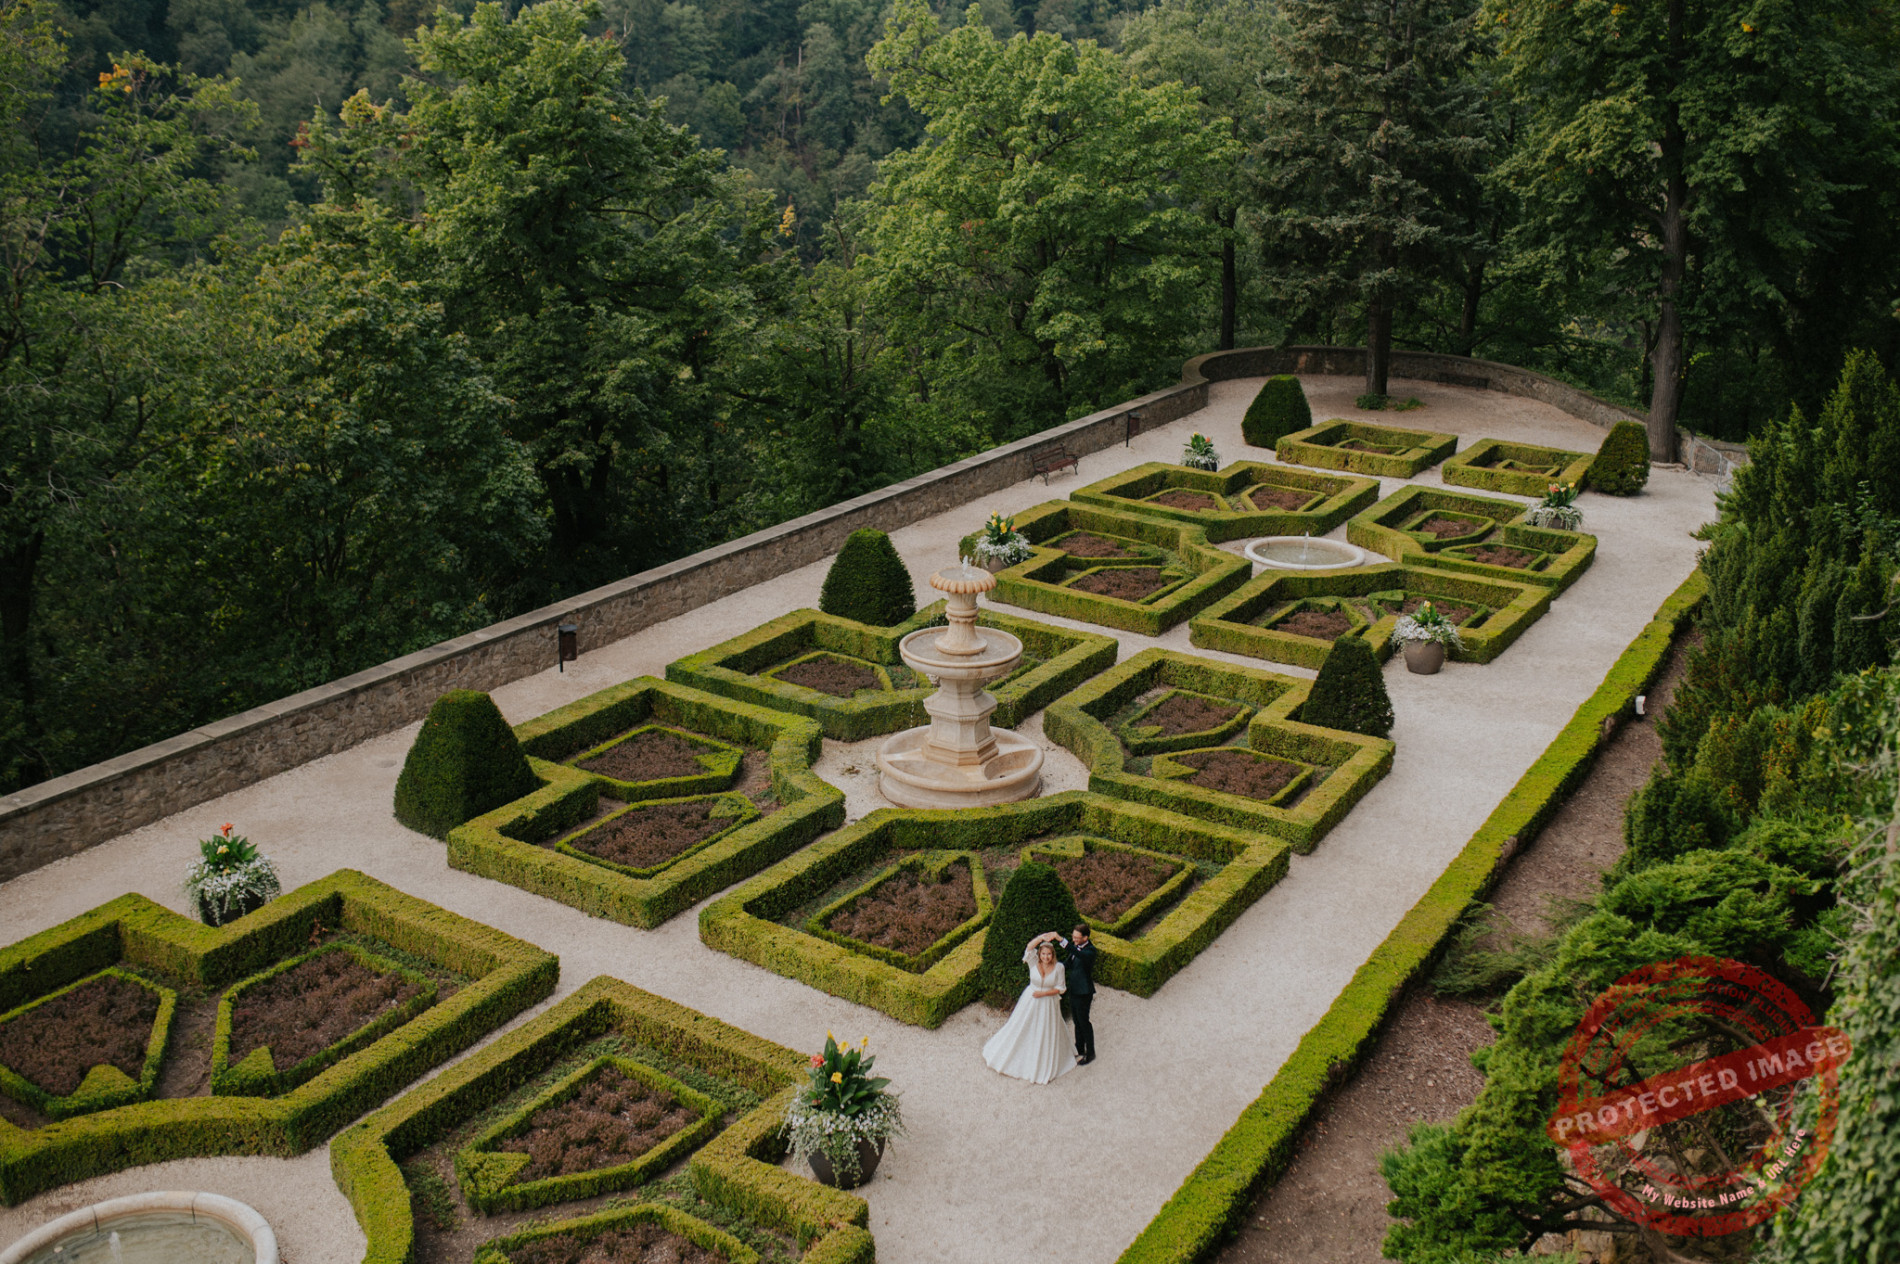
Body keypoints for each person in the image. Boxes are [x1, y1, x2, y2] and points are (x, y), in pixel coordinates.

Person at [980, 932, 1075, 1084]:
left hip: (1048, 1002)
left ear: (1053, 955)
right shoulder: (1033, 962)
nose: (1046, 957)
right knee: (1022, 1025)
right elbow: (1029, 948)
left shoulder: (1059, 968)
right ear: (1040, 954)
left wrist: (1043, 993)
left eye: (1049, 954)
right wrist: (1042, 937)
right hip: (1030, 999)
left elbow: (1060, 988)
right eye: (1043, 954)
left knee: (1046, 1029)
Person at [1057, 924, 1098, 1064]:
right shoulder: (1077, 948)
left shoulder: (1090, 951)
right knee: (1076, 1020)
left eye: (1076, 938)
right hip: (1074, 990)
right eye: (1073, 937)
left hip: (1084, 991)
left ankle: (1090, 1052)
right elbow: (1067, 964)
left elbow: (1077, 953)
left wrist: (1060, 939)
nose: (1074, 940)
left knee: (1083, 1022)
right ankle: (1079, 1047)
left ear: (1085, 937)